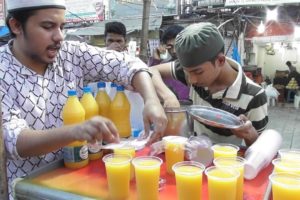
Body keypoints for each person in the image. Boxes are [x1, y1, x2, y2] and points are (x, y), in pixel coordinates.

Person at [0, 0, 167, 198]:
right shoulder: (3, 71)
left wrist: (151, 100)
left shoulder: (71, 54)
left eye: (62, 27)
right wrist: (76, 130)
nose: (59, 36)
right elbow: (16, 142)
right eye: (47, 27)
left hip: (80, 181)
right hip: (30, 190)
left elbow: (127, 64)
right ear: (16, 26)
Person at [151, 22, 269, 146]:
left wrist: (249, 134)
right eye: (187, 72)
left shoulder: (254, 95)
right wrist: (167, 96)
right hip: (193, 154)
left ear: (220, 60)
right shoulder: (192, 70)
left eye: (198, 72)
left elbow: (259, 151)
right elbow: (152, 71)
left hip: (223, 161)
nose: (192, 80)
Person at [149, 25, 190, 101]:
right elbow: (150, 82)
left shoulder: (193, 65)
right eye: (170, 46)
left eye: (177, 46)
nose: (174, 51)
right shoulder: (162, 67)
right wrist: (156, 60)